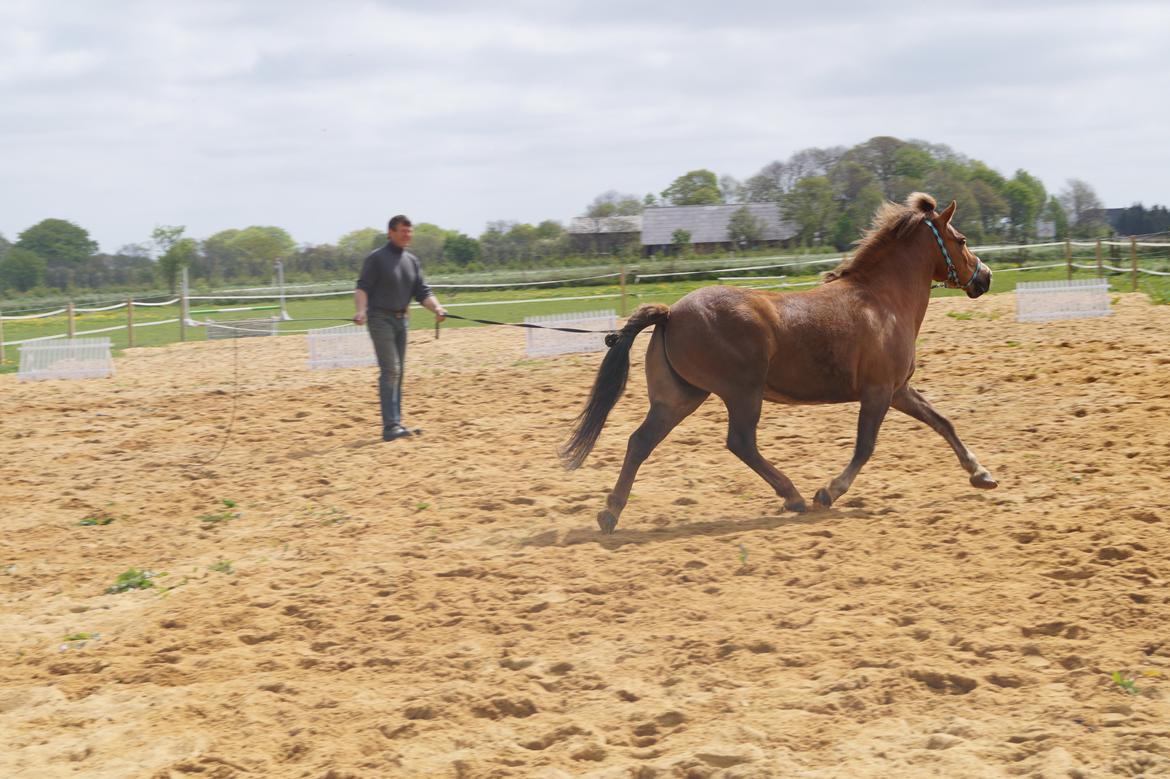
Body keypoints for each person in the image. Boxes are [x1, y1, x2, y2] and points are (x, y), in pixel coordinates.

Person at [354, 215, 447, 441]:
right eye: (403, 231)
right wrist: (361, 310)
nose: (408, 235)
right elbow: (362, 287)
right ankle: (390, 427)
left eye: (409, 231)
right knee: (391, 370)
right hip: (380, 319)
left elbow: (422, 292)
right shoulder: (376, 259)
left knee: (399, 372)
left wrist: (437, 308)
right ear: (390, 233)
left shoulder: (412, 261)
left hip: (402, 319)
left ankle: (395, 421)